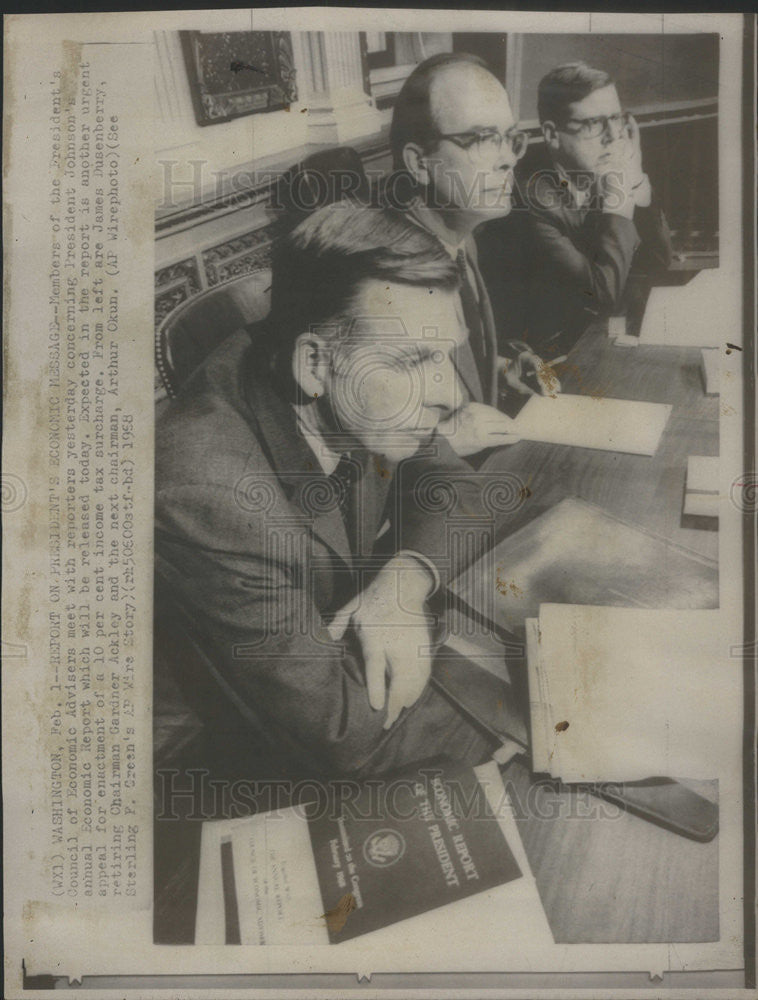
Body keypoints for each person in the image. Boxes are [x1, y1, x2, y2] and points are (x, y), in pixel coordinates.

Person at [155, 203, 513, 782]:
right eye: (415, 360)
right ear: (315, 365)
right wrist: (546, 712)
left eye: (445, 353)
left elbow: (457, 486)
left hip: (326, 674)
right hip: (210, 766)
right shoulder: (211, 499)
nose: (452, 395)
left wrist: (401, 585)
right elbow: (345, 736)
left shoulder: (350, 387)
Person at [389, 52, 556, 458]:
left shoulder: (461, 238)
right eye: (481, 139)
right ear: (420, 163)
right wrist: (443, 439)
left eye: (509, 138)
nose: (507, 159)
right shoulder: (388, 276)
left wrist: (499, 368)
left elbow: (441, 356)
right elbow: (349, 439)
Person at [524, 61, 672, 359]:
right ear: (552, 135)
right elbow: (601, 298)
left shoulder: (595, 174)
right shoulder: (530, 200)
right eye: (593, 124)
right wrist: (619, 203)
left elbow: (659, 262)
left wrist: (636, 180)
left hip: (594, 345)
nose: (612, 135)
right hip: (546, 362)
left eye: (615, 119)